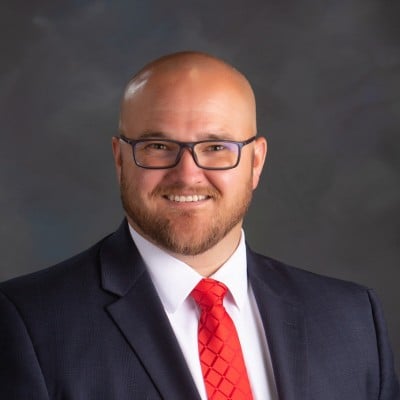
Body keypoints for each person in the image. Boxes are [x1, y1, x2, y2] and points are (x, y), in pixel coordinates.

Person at [0, 51, 398, 400]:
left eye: (216, 147)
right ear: (120, 158)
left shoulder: (351, 317)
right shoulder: (27, 323)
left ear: (256, 162)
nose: (188, 175)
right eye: (158, 146)